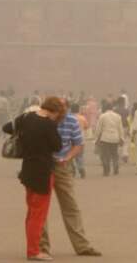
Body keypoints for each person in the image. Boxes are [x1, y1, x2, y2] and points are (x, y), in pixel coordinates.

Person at [36, 98, 102, 258]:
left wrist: (67, 157)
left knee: (70, 207)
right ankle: (42, 247)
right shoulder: (41, 119)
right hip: (42, 166)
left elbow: (78, 143)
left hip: (61, 166)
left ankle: (82, 246)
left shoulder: (71, 121)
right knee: (41, 208)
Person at [5, 96, 64, 261]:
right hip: (43, 173)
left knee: (32, 212)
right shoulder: (49, 125)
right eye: (57, 115)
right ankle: (33, 251)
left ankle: (33, 248)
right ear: (54, 111)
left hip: (27, 171)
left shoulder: (26, 118)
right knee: (38, 215)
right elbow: (57, 146)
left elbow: (7, 127)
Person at [96, 100, 124, 176]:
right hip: (115, 138)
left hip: (105, 138)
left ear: (105, 108)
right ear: (112, 108)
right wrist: (121, 138)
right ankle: (115, 167)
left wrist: (96, 138)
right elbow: (120, 128)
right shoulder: (118, 116)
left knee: (105, 155)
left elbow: (98, 129)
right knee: (115, 154)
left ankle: (106, 170)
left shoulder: (102, 116)